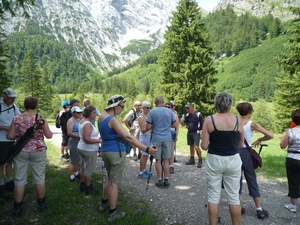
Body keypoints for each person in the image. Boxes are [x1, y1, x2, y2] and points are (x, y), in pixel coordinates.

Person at [98, 95, 157, 222]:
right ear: (115, 106)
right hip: (116, 152)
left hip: (105, 150)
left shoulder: (101, 117)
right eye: (122, 106)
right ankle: (112, 214)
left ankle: (104, 203)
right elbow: (128, 137)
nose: (123, 109)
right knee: (114, 183)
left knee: (109, 179)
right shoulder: (112, 119)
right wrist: (146, 149)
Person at [201, 92, 244, 225]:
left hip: (215, 159)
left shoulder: (209, 120)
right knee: (234, 197)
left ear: (216, 104)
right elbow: (241, 144)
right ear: (230, 104)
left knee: (213, 195)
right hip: (233, 159)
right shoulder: (238, 120)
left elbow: (204, 146)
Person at [6, 97, 52, 216]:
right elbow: (49, 136)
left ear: (24, 106)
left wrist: (18, 134)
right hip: (38, 151)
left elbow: (10, 136)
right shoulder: (41, 119)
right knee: (39, 177)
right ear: (36, 106)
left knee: (20, 179)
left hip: (21, 151)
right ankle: (41, 203)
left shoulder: (17, 118)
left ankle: (17, 206)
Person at [236, 102, 273, 219]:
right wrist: (259, 140)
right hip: (246, 153)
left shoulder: (235, 121)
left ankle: (238, 207)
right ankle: (259, 208)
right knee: (251, 178)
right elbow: (270, 135)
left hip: (234, 153)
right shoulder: (251, 124)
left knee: (236, 179)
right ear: (250, 112)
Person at [146, 96, 177, 188]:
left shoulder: (152, 112)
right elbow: (175, 124)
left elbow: (147, 127)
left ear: (155, 102)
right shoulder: (169, 111)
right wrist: (167, 125)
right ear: (163, 102)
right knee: (166, 160)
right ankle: (166, 180)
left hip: (156, 138)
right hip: (167, 138)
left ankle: (159, 179)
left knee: (158, 160)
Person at [0, 88, 21, 198]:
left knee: (10, 160)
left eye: (14, 98)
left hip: (12, 139)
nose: (13, 100)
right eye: (11, 98)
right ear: (4, 97)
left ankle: (9, 181)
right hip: (1, 139)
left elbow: (19, 117)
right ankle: (1, 184)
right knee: (1, 163)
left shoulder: (13, 106)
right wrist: (5, 127)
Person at [77, 105, 102, 196]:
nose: (95, 115)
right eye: (94, 113)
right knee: (88, 170)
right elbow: (86, 139)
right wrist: (99, 140)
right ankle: (88, 189)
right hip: (88, 150)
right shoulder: (87, 124)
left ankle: (82, 185)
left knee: (83, 168)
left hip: (82, 148)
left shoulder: (82, 121)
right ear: (88, 113)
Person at [280, 109, 300, 213]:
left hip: (293, 159)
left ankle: (293, 205)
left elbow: (283, 146)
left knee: (293, 181)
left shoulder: (290, 131)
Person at [180, 103, 204, 168]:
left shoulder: (198, 114)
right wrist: (181, 122)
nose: (187, 110)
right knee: (191, 146)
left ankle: (200, 159)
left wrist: (202, 133)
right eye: (186, 108)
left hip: (196, 132)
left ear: (192, 108)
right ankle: (192, 159)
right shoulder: (187, 115)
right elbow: (184, 124)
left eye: (188, 108)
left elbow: (203, 124)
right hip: (190, 132)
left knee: (196, 146)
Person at [67, 106, 83, 182]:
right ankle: (71, 176)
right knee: (73, 159)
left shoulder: (79, 119)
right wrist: (79, 136)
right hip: (74, 141)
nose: (79, 113)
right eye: (78, 112)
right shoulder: (71, 121)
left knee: (77, 158)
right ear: (73, 113)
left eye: (80, 112)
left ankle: (76, 173)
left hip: (79, 140)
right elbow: (69, 133)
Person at [137, 101, 152, 179]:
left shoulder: (148, 116)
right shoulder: (141, 117)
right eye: (147, 107)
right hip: (144, 136)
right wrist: (151, 126)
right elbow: (143, 130)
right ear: (143, 108)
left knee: (147, 154)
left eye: (150, 107)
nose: (149, 109)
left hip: (149, 136)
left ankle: (144, 169)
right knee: (144, 154)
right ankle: (141, 171)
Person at [165, 101, 179, 174]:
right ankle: (166, 164)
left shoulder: (174, 115)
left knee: (171, 150)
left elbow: (176, 126)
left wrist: (176, 136)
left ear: (172, 108)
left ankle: (171, 165)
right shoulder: (163, 114)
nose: (167, 108)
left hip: (171, 133)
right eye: (166, 107)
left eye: (169, 107)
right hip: (164, 133)